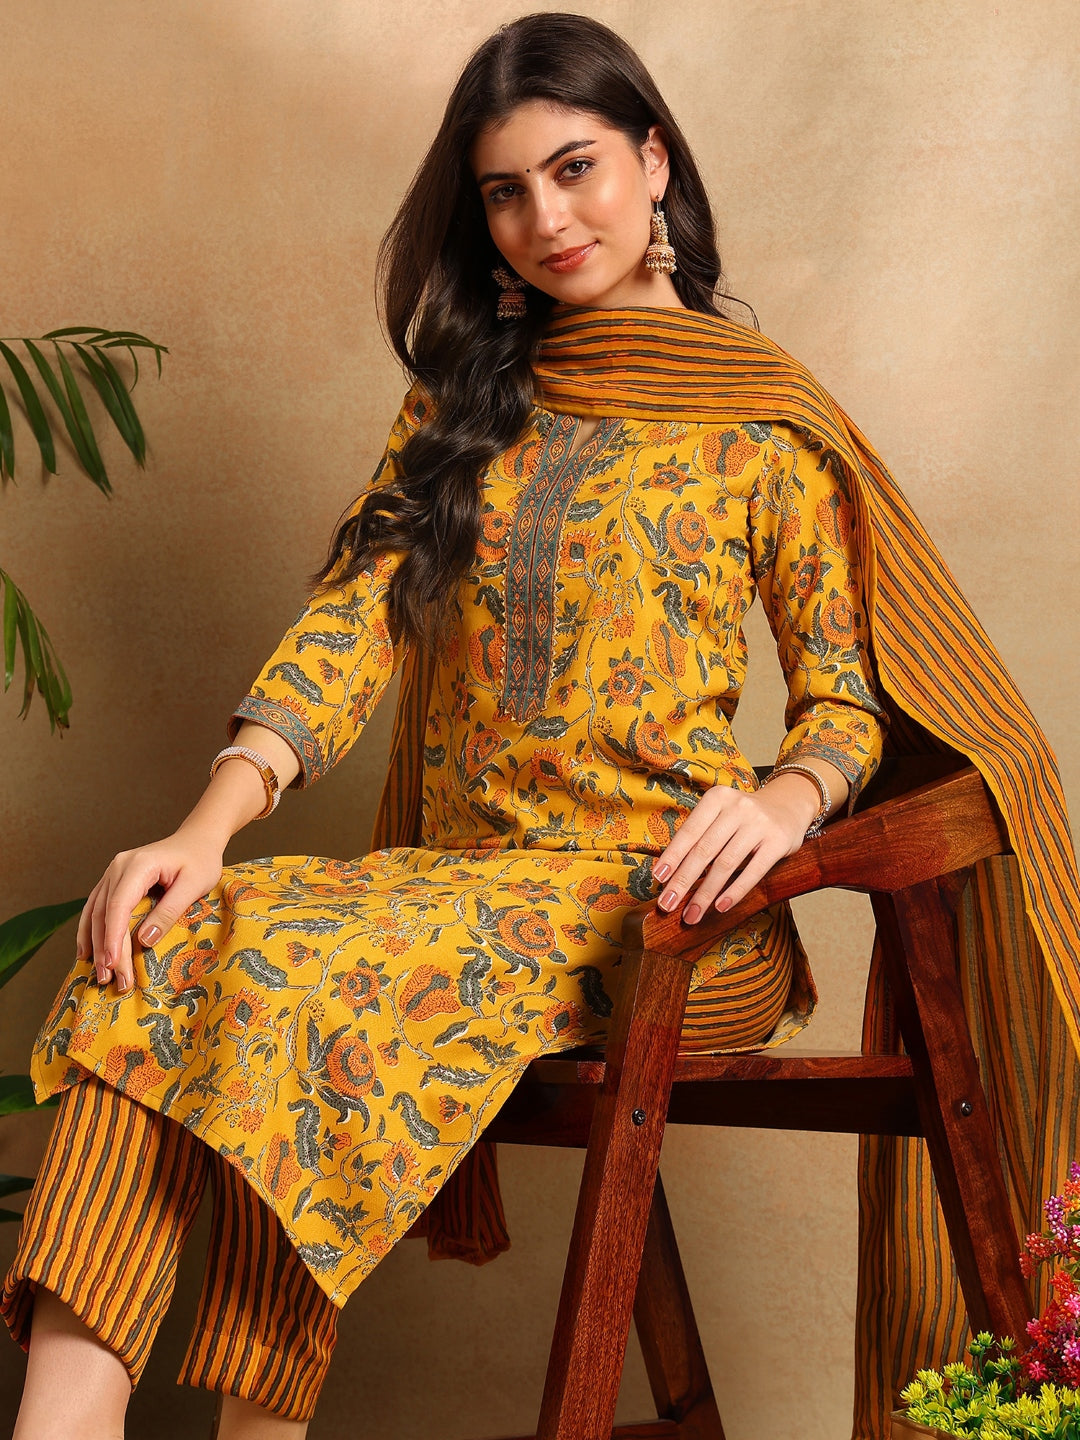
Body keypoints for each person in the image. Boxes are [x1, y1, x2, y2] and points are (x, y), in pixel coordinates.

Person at [5, 13, 1079, 1440]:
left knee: (288, 969)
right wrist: (201, 832)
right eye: (505, 193)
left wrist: (784, 803)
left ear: (653, 161)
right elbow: (349, 628)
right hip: (456, 892)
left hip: (680, 915)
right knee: (172, 938)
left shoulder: (760, 422)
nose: (546, 220)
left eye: (575, 169)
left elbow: (845, 694)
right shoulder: (466, 405)